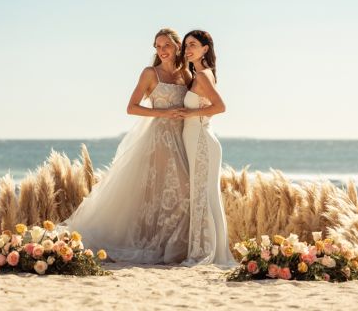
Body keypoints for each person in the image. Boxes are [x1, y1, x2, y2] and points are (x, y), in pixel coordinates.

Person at [61, 28, 191, 264]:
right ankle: (156, 246)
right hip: (159, 140)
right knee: (177, 190)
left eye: (167, 46)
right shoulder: (150, 73)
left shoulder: (186, 75)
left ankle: (170, 248)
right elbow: (131, 107)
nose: (162, 51)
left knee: (172, 194)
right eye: (158, 46)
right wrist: (163, 112)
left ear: (177, 47)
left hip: (180, 140)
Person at [177, 30, 236, 266]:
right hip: (196, 139)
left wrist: (191, 113)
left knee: (205, 195)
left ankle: (210, 254)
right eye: (185, 45)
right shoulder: (197, 75)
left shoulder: (202, 76)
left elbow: (220, 106)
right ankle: (213, 252)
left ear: (205, 49)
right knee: (204, 195)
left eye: (192, 44)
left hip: (202, 140)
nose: (187, 49)